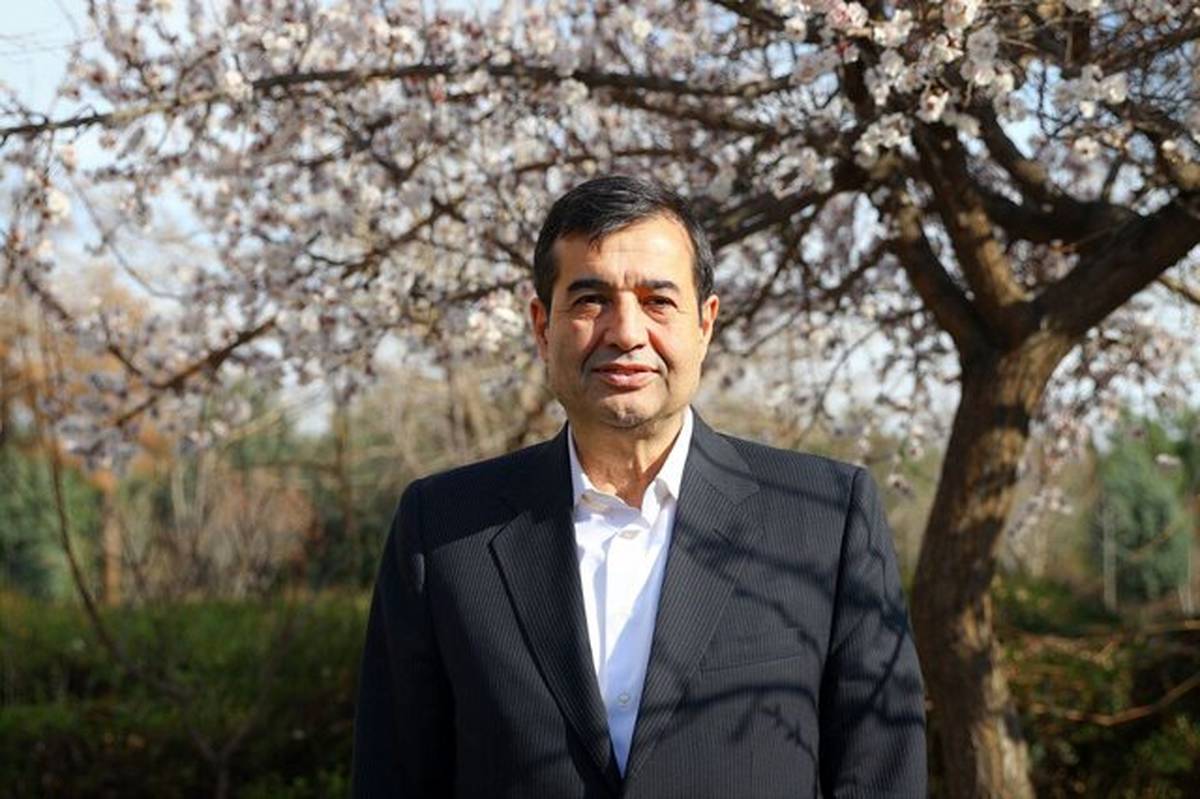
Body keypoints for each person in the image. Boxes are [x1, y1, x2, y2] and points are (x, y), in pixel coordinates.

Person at [351, 176, 926, 797]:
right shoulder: (443, 530)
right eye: (591, 299)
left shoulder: (825, 518)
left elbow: (880, 774)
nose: (626, 333)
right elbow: (394, 777)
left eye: (658, 301)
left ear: (705, 323)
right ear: (542, 326)